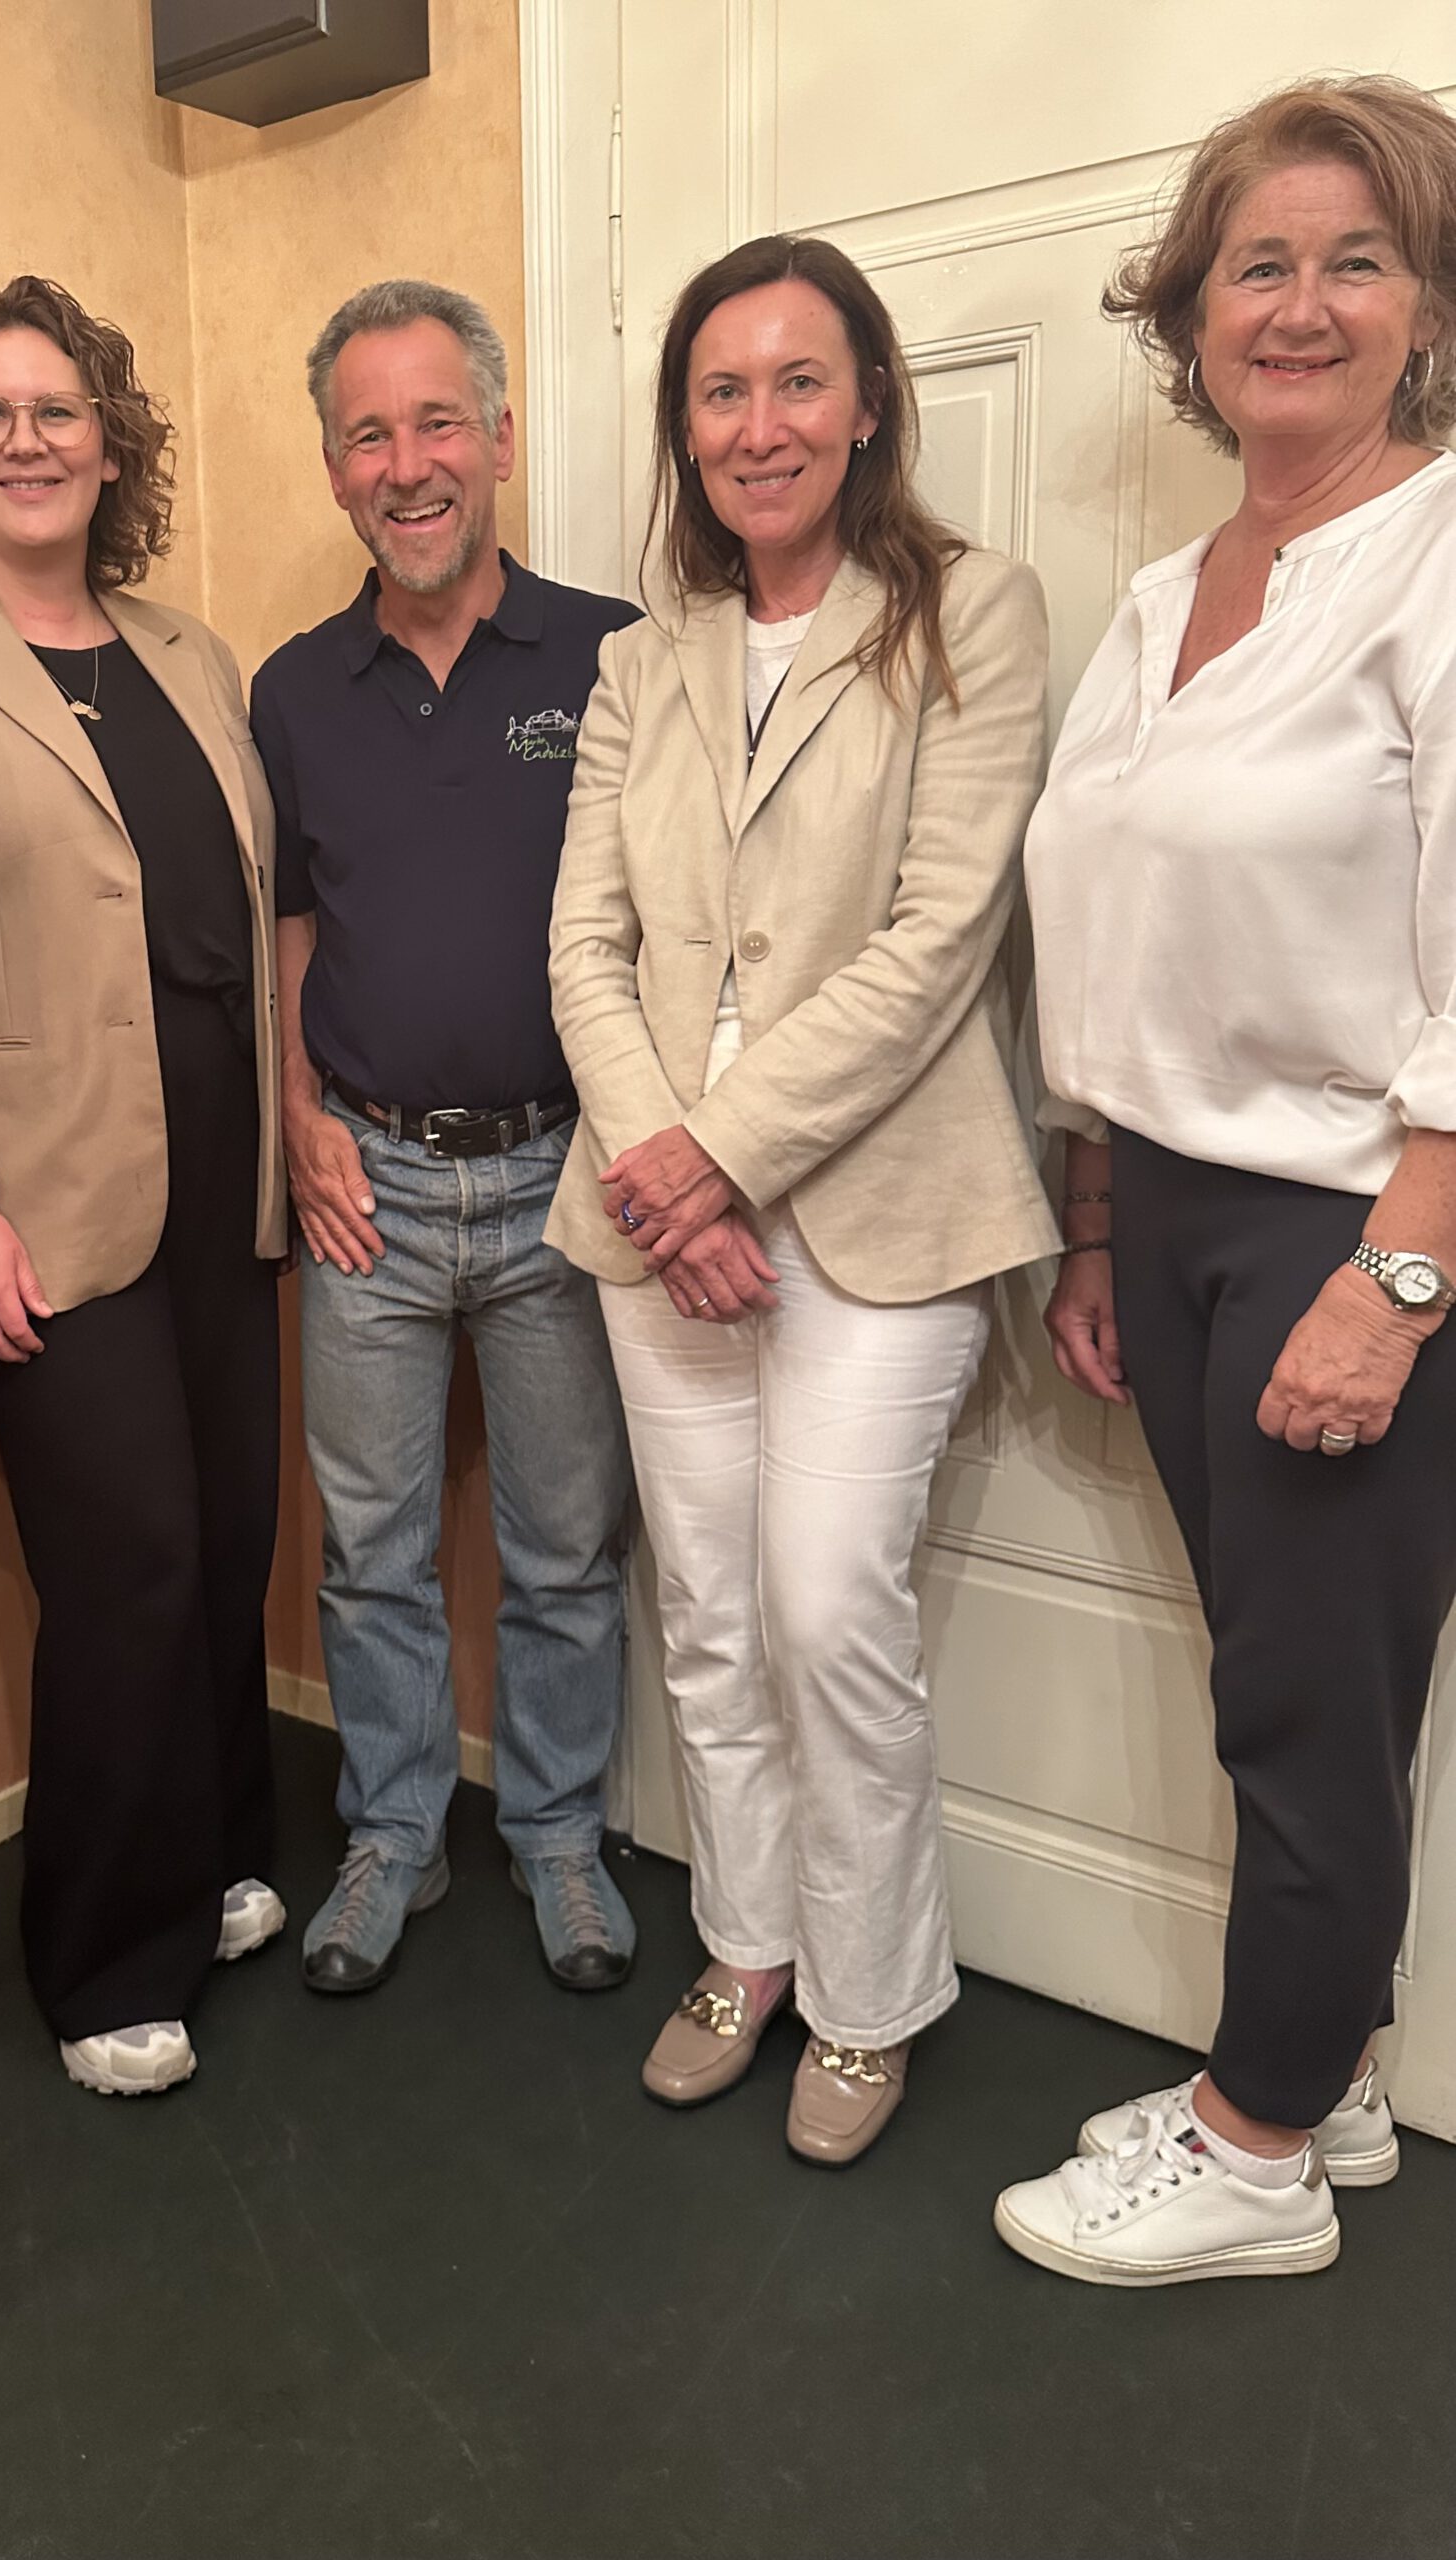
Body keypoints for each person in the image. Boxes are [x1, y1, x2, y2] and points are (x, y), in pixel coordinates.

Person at [1000, 73, 1456, 2284]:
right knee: (1269, 1674)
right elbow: (1106, 927)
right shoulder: (1173, 584)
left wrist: (1392, 1279)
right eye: (1251, 264)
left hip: (1346, 1217)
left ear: (1422, 305)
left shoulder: (1439, 558)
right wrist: (1096, 1212)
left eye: (1350, 259)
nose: (1294, 305)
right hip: (1168, 1209)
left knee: (1302, 1702)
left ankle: (1254, 2143)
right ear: (1187, 314)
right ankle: (1336, 2069)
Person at [548, 237, 1055, 2164]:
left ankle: (869, 1994)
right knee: (704, 1615)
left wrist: (723, 1152)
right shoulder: (635, 661)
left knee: (828, 1606)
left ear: (867, 407)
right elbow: (584, 941)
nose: (760, 425)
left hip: (882, 1210)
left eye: (797, 383)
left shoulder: (973, 619)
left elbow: (941, 941)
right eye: (721, 392)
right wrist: (663, 1167)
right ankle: (743, 1945)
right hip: (653, 1207)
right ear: (686, 430)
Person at [0, 278, 287, 2102]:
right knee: (131, 1565)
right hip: (37, 1194)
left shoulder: (190, 655)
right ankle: (103, 1951)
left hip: (220, 1180)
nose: (29, 441)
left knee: (231, 1536)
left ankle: (227, 1850)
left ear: (115, 443)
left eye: (62, 410)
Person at [252, 280, 640, 1996]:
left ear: (496, 439)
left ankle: (558, 1833)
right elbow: (290, 929)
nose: (406, 466)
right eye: (366, 434)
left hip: (571, 1179)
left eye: (434, 426)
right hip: (370, 1192)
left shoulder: (615, 653)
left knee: (567, 1546)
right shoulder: (291, 688)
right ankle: (395, 1832)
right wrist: (296, 1115)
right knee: (371, 1546)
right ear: (336, 467)